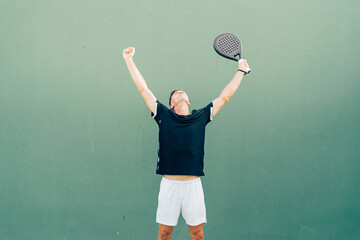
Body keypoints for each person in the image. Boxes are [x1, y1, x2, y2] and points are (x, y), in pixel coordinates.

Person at [123, 47, 250, 240]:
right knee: (164, 234)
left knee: (197, 234)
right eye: (174, 93)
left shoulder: (200, 116)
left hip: (193, 186)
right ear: (172, 103)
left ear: (188, 102)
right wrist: (129, 60)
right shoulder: (163, 115)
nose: (179, 92)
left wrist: (241, 71)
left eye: (182, 92)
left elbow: (225, 96)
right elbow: (143, 88)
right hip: (169, 186)